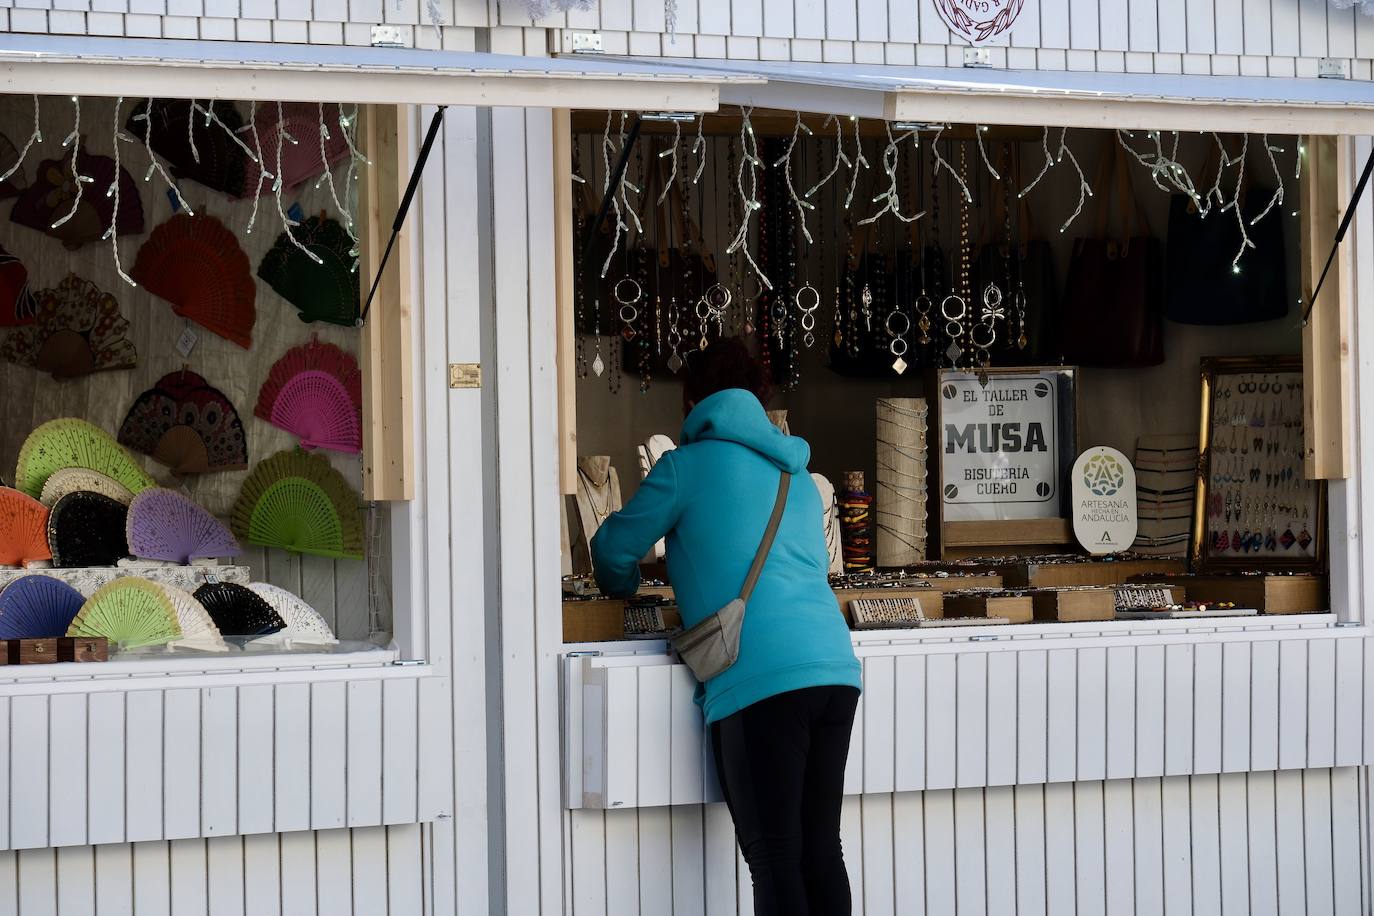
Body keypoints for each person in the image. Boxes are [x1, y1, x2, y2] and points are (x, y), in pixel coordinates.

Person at [590, 337, 862, 915]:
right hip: (835, 669)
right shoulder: (797, 474)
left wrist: (622, 591)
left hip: (759, 677)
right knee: (821, 851)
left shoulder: (685, 469)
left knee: (776, 857)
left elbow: (613, 547)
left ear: (694, 404)